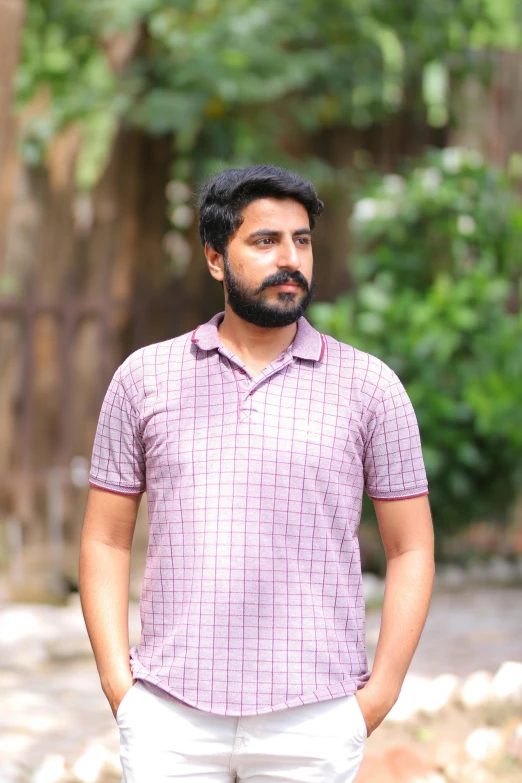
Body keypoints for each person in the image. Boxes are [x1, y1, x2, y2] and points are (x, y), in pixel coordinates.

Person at [80, 164, 434, 783]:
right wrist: (120, 686)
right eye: (265, 241)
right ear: (216, 258)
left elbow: (412, 550)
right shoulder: (145, 379)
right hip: (170, 716)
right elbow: (105, 538)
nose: (289, 258)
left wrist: (375, 699)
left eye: (301, 240)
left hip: (316, 716)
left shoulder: (369, 387)